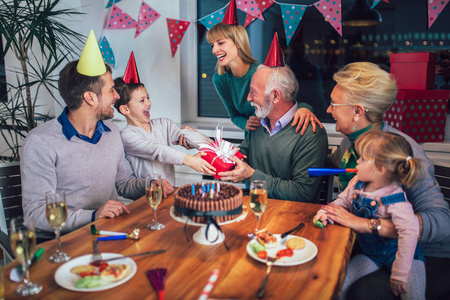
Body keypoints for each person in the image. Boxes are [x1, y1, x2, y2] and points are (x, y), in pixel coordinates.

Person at [320, 62, 450, 300]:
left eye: (334, 104)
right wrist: (301, 110)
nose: (329, 110)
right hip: (371, 248)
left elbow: (442, 221)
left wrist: (367, 225)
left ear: (358, 111)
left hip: (418, 254)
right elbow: (337, 178)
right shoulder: (350, 143)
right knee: (324, 272)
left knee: (362, 293)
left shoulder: (402, 150)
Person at [21, 31, 145, 240]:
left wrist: (150, 184)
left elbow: (123, 184)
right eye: (111, 90)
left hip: (107, 232)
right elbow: (34, 214)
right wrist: (93, 216)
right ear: (90, 98)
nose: (117, 97)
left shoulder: (111, 132)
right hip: (65, 242)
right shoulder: (41, 142)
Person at [314, 131, 426, 299]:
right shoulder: (356, 183)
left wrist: (400, 273)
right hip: (371, 254)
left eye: (363, 159)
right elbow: (341, 202)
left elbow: (409, 232)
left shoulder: (395, 198)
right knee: (339, 286)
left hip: (403, 258)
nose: (357, 161)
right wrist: (325, 213)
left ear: (380, 169)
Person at [219, 64, 328, 202]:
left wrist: (252, 175)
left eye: (253, 92)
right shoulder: (259, 123)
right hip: (257, 207)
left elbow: (302, 193)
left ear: (275, 95)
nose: (248, 98)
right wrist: (207, 147)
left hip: (292, 215)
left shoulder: (310, 134)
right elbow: (241, 156)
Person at [206, 21, 322, 135]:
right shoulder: (220, 80)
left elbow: (290, 100)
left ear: (238, 43)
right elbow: (234, 115)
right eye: (212, 45)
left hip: (278, 135)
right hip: (253, 139)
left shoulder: (261, 72)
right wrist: (246, 124)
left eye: (220, 43)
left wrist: (304, 108)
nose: (214, 50)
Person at [114, 76, 216, 192]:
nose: (149, 103)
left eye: (148, 97)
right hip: (146, 201)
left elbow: (184, 134)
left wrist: (209, 144)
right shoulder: (127, 136)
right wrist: (189, 160)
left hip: (170, 195)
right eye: (142, 100)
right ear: (125, 109)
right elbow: (157, 150)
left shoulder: (164, 124)